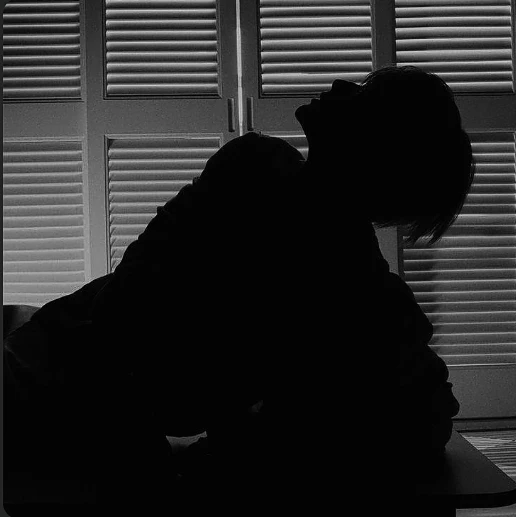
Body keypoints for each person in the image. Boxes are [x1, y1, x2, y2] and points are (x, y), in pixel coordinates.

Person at [3, 65, 474, 514]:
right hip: (53, 372)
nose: (340, 83)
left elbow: (129, 330)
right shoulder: (335, 250)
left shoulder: (281, 193)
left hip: (51, 386)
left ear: (375, 146)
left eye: (364, 94)